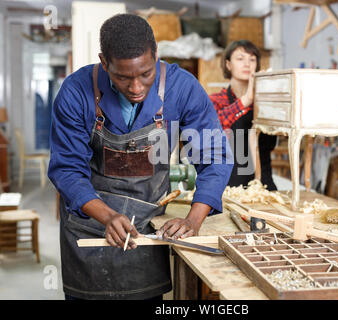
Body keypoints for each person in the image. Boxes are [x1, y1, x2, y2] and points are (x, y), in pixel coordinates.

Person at [48, 14, 232, 300]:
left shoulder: (182, 88)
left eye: (146, 74)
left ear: (156, 56)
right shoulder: (76, 91)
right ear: (104, 61)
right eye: (122, 77)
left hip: (146, 229)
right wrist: (107, 216)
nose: (136, 88)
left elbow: (215, 156)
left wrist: (194, 218)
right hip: (90, 225)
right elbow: (67, 170)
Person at [210, 40, 277, 190]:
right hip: (227, 186)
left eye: (252, 59)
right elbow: (213, 129)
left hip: (262, 185)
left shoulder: (265, 103)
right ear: (228, 64)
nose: (247, 64)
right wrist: (246, 100)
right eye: (240, 59)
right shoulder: (216, 101)